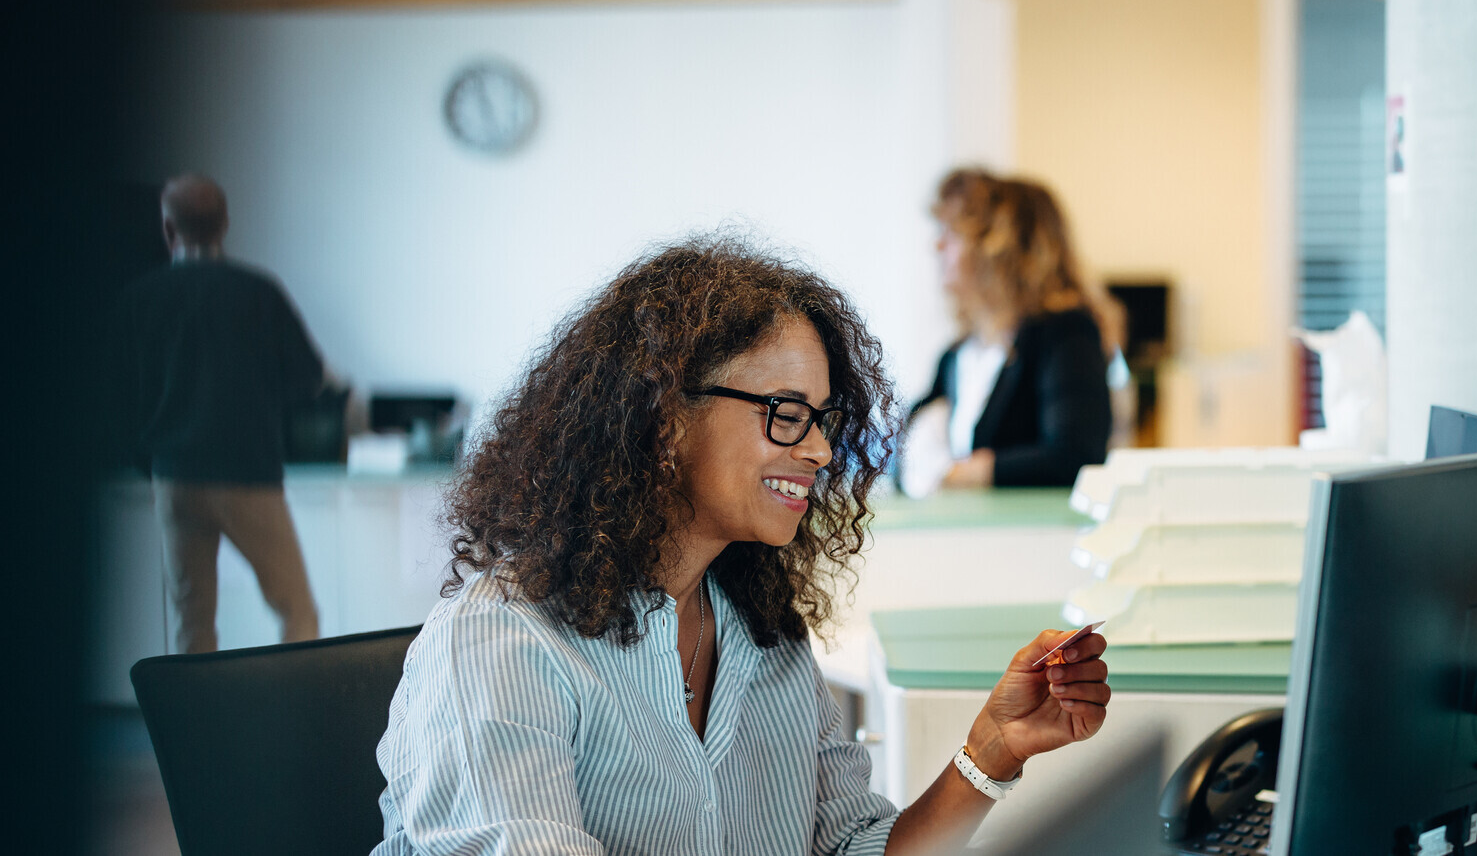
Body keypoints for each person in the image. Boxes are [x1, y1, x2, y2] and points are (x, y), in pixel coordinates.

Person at [374, 237, 1115, 855]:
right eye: (788, 414)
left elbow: (846, 848)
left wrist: (991, 750)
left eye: (823, 419)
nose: (821, 449)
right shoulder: (502, 640)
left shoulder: (761, 631)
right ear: (665, 418)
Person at [117, 173, 327, 653]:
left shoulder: (139, 300)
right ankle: (298, 717)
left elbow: (121, 402)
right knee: (296, 609)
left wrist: (150, 466)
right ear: (225, 223)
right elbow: (308, 377)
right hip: (247, 475)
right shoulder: (257, 293)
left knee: (191, 623)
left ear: (168, 229)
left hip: (174, 479)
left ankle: (192, 728)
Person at [911, 168, 1118, 489]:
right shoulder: (957, 354)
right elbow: (904, 448)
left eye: (952, 235)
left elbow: (1075, 456)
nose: (938, 246)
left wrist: (951, 474)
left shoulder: (1065, 333)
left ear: (999, 249)